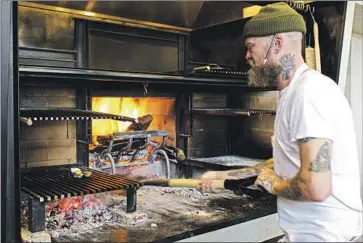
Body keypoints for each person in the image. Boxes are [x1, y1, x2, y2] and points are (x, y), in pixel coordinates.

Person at [197, 2, 363, 242]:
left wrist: (272, 184)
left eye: (251, 46)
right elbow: (287, 160)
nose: (246, 56)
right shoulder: (295, 92)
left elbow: (315, 186)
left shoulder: (310, 94)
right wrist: (231, 176)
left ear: (276, 44)